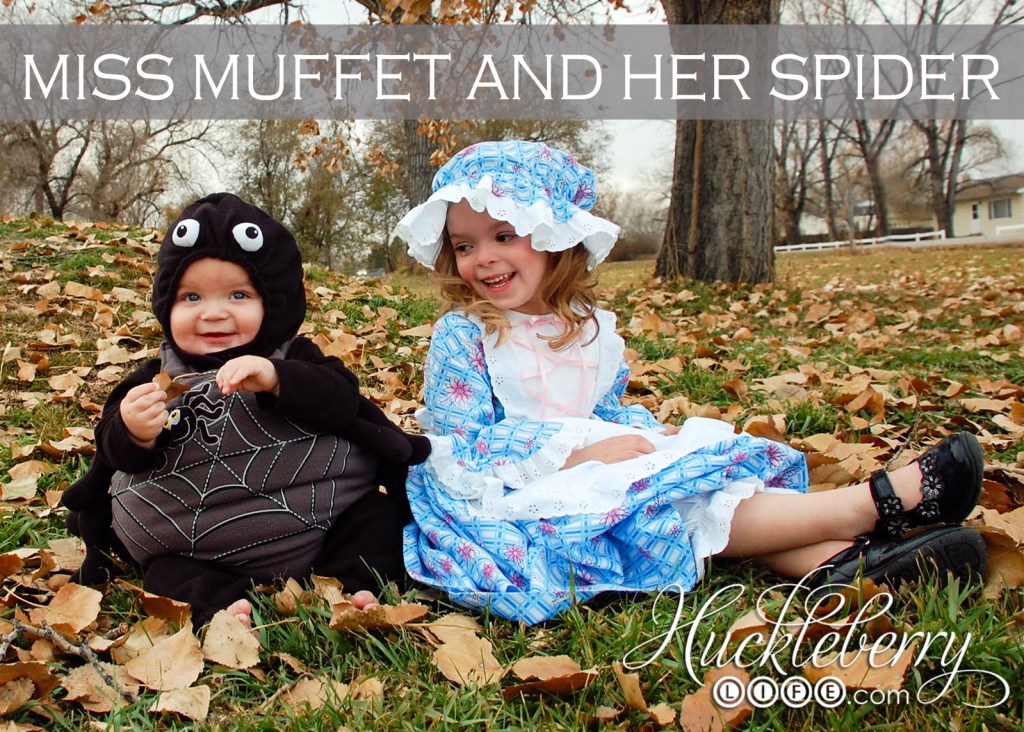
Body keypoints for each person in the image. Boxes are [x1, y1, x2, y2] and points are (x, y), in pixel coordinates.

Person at [391, 140, 987, 625]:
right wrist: (576, 454)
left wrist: (641, 430)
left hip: (597, 465)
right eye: (465, 246)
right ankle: (873, 505)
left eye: (503, 236)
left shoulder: (589, 328)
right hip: (511, 491)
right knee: (666, 498)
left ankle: (852, 565)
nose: (483, 259)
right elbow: (459, 447)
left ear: (553, 237)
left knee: (697, 473)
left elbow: (604, 409)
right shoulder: (464, 336)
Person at [63, 193, 429, 626]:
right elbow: (110, 452)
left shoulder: (295, 357)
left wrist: (278, 377)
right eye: (191, 297)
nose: (213, 313)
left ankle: (356, 584)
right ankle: (220, 606)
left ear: (273, 301)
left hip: (321, 526)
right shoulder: (157, 376)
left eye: (238, 295)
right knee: (165, 573)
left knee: (377, 518)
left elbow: (343, 398)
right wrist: (131, 431)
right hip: (196, 546)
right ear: (167, 304)